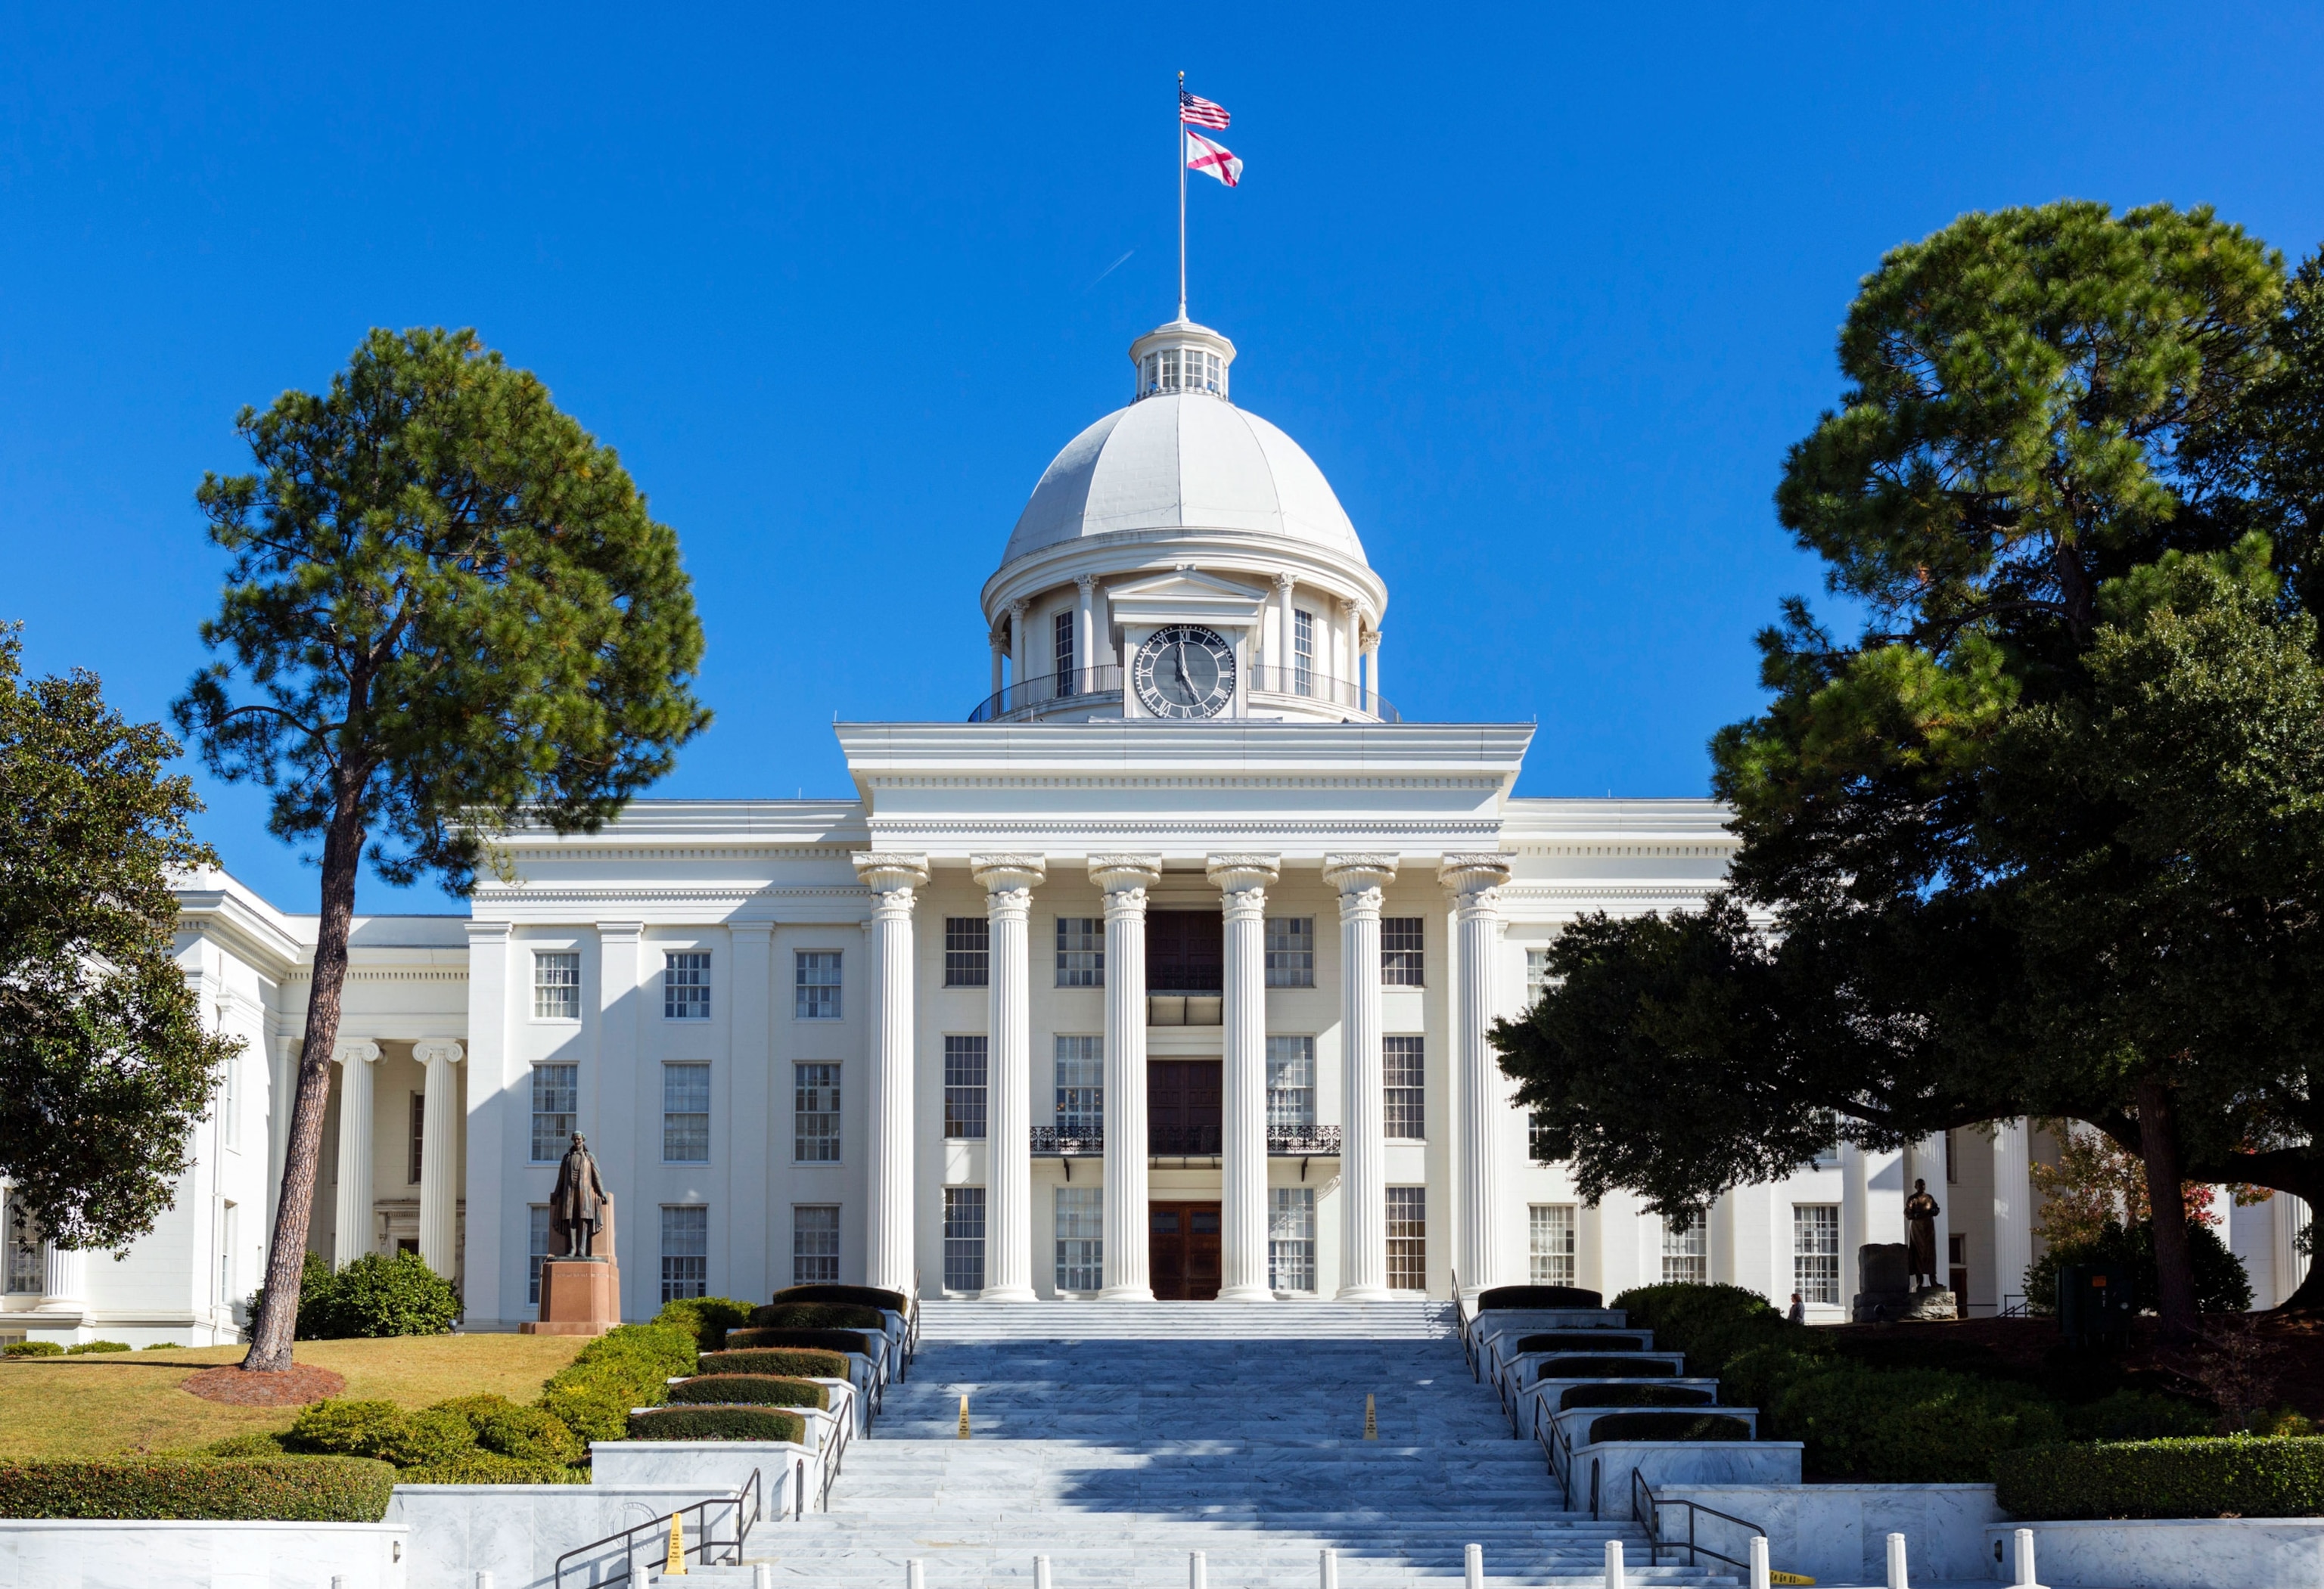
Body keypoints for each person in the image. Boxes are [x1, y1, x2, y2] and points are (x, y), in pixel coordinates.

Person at [549, 1131, 609, 1258]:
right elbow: (561, 1177)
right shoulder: (567, 1157)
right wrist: (556, 1192)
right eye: (575, 1139)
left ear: (583, 1140)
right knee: (570, 1218)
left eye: (579, 1139)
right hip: (570, 1191)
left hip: (585, 1192)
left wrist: (601, 1191)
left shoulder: (589, 1157)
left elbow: (596, 1175)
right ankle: (572, 1248)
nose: (577, 1142)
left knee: (583, 1218)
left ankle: (582, 1249)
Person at [1906, 1177, 1942, 1290]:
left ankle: (1933, 1279)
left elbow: (1936, 1209)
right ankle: (1919, 1281)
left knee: (1930, 1253)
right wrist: (1915, 1215)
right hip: (1917, 1229)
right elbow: (1908, 1212)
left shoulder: (1929, 1198)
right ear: (1916, 1187)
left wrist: (1934, 1211)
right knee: (1916, 1252)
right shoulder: (1912, 1199)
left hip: (1928, 1228)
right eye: (1920, 1185)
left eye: (1924, 1185)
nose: (1922, 1187)